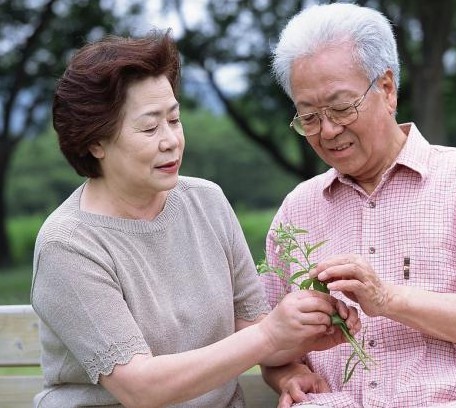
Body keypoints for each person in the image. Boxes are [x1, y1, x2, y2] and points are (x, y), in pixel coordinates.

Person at [30, 30, 361, 408]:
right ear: (95, 142)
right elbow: (141, 388)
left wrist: (298, 343)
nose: (171, 140)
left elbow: (251, 327)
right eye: (150, 127)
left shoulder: (207, 201)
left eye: (174, 119)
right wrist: (271, 335)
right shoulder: (69, 245)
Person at [259, 3, 456, 408]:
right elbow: (272, 345)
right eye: (309, 117)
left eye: (341, 107)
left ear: (386, 90)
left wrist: (387, 299)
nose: (327, 130)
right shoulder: (298, 210)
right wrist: (288, 374)